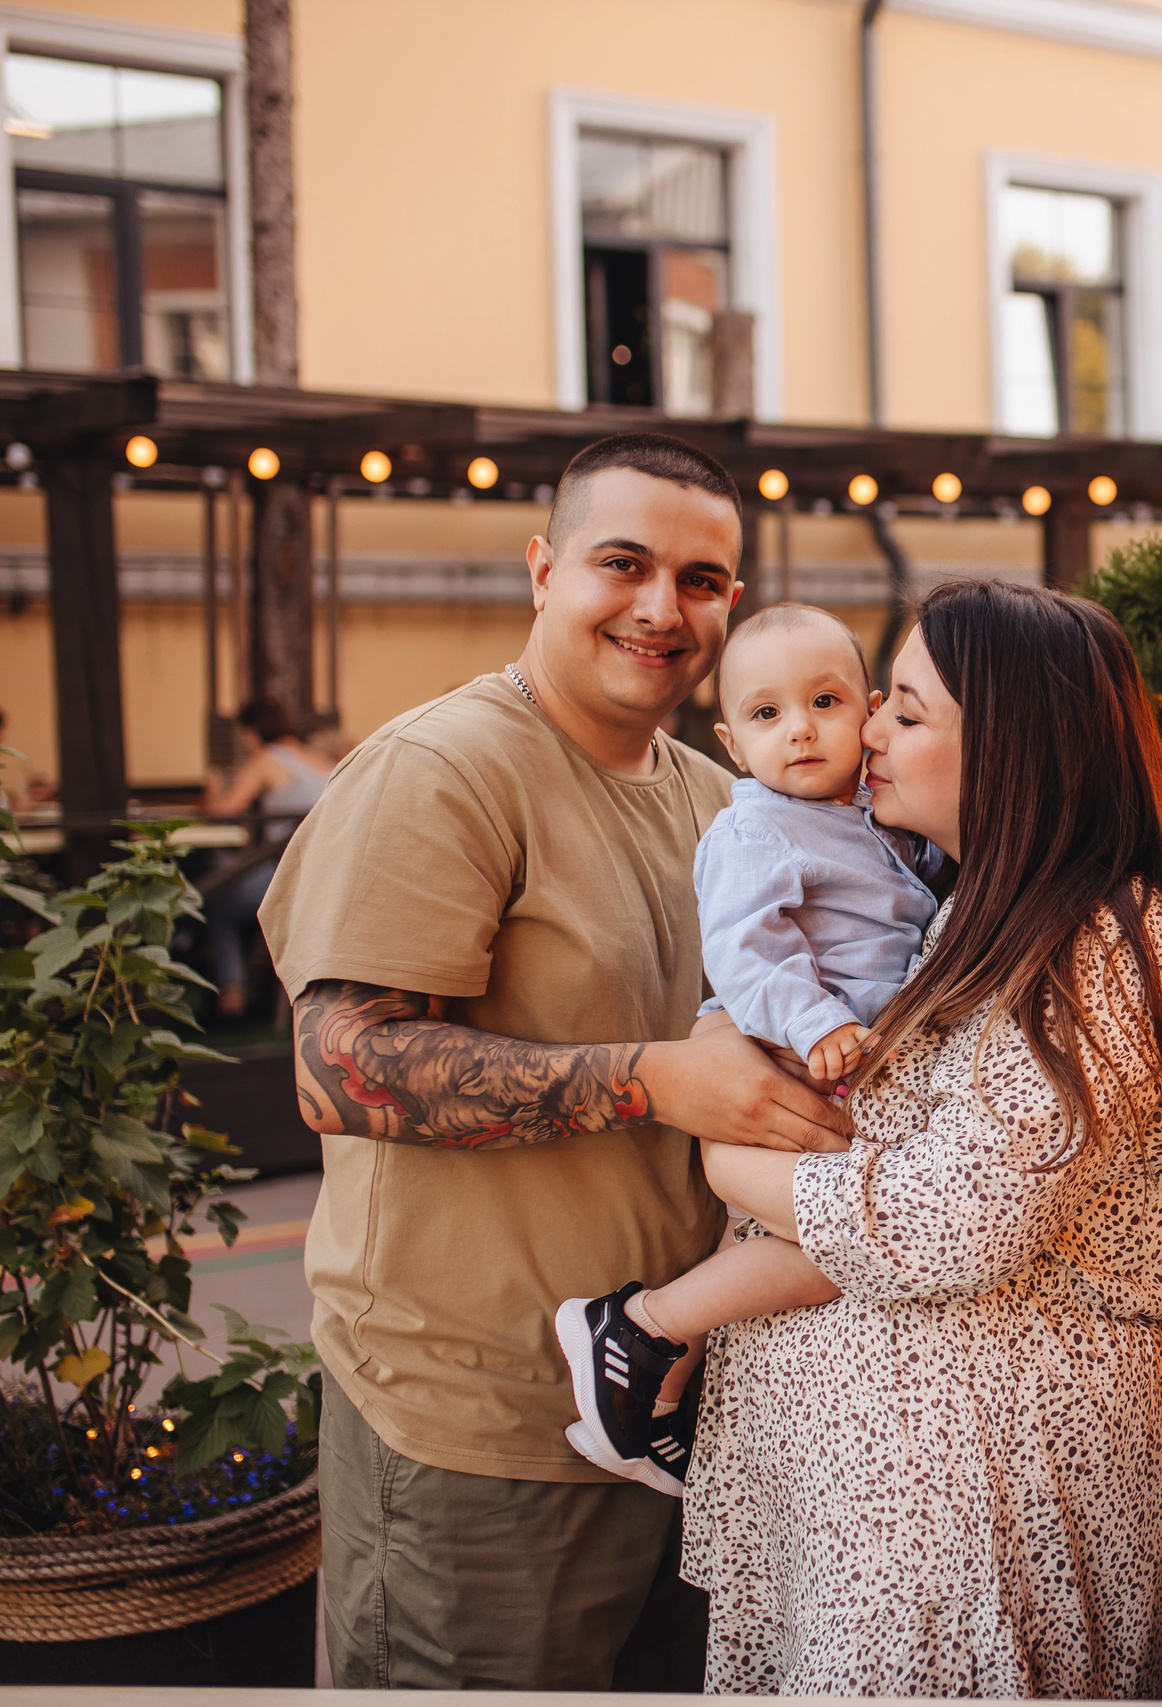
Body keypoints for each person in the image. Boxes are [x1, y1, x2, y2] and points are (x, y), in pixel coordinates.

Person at [258, 433, 850, 1692]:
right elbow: (337, 1067)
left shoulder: (722, 796)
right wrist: (653, 1080)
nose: (659, 607)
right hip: (479, 1435)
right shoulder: (444, 770)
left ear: (731, 603)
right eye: (620, 563)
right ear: (542, 569)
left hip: (680, 1413)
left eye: (699, 580)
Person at [678, 580, 1162, 1697]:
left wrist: (727, 1153)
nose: (865, 733)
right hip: (887, 1505)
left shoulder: (1101, 944)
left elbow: (945, 1223)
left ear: (1013, 745)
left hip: (961, 1523)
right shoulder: (967, 902)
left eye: (903, 708)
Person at [559, 603, 941, 1495]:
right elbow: (743, 953)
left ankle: (654, 1384)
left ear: (871, 714)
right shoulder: (756, 830)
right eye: (768, 715)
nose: (800, 728)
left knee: (821, 1247)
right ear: (733, 743)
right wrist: (816, 1025)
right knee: (843, 1251)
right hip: (804, 1061)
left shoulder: (876, 817)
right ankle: (637, 1327)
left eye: (825, 700)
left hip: (855, 1066)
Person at [199, 698, 332, 1018]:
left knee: (215, 898)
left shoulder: (267, 759)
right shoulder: (318, 758)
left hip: (287, 881)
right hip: (325, 880)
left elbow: (222, 813)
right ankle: (250, 988)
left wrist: (212, 786)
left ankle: (230, 994)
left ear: (251, 732)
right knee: (229, 887)